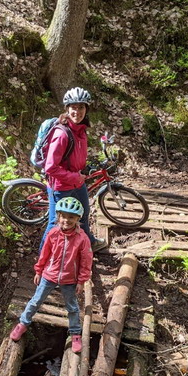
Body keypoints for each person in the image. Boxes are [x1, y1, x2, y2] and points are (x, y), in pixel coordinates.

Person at [10, 197, 93, 352]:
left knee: (72, 307)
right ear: (58, 216)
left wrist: (81, 281)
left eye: (71, 217)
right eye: (63, 216)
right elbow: (45, 253)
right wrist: (39, 270)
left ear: (77, 219)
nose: (66, 220)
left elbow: (86, 261)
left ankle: (75, 333)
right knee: (36, 300)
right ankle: (23, 323)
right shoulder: (53, 233)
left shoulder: (82, 238)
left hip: (69, 278)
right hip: (49, 274)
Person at [40, 87, 108, 253]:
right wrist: (74, 177)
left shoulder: (81, 130)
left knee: (83, 213)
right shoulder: (62, 134)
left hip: (77, 182)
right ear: (67, 109)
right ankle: (43, 256)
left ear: (86, 109)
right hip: (61, 186)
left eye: (81, 107)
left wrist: (83, 169)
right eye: (73, 107)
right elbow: (50, 167)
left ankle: (88, 243)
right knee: (55, 223)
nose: (77, 111)